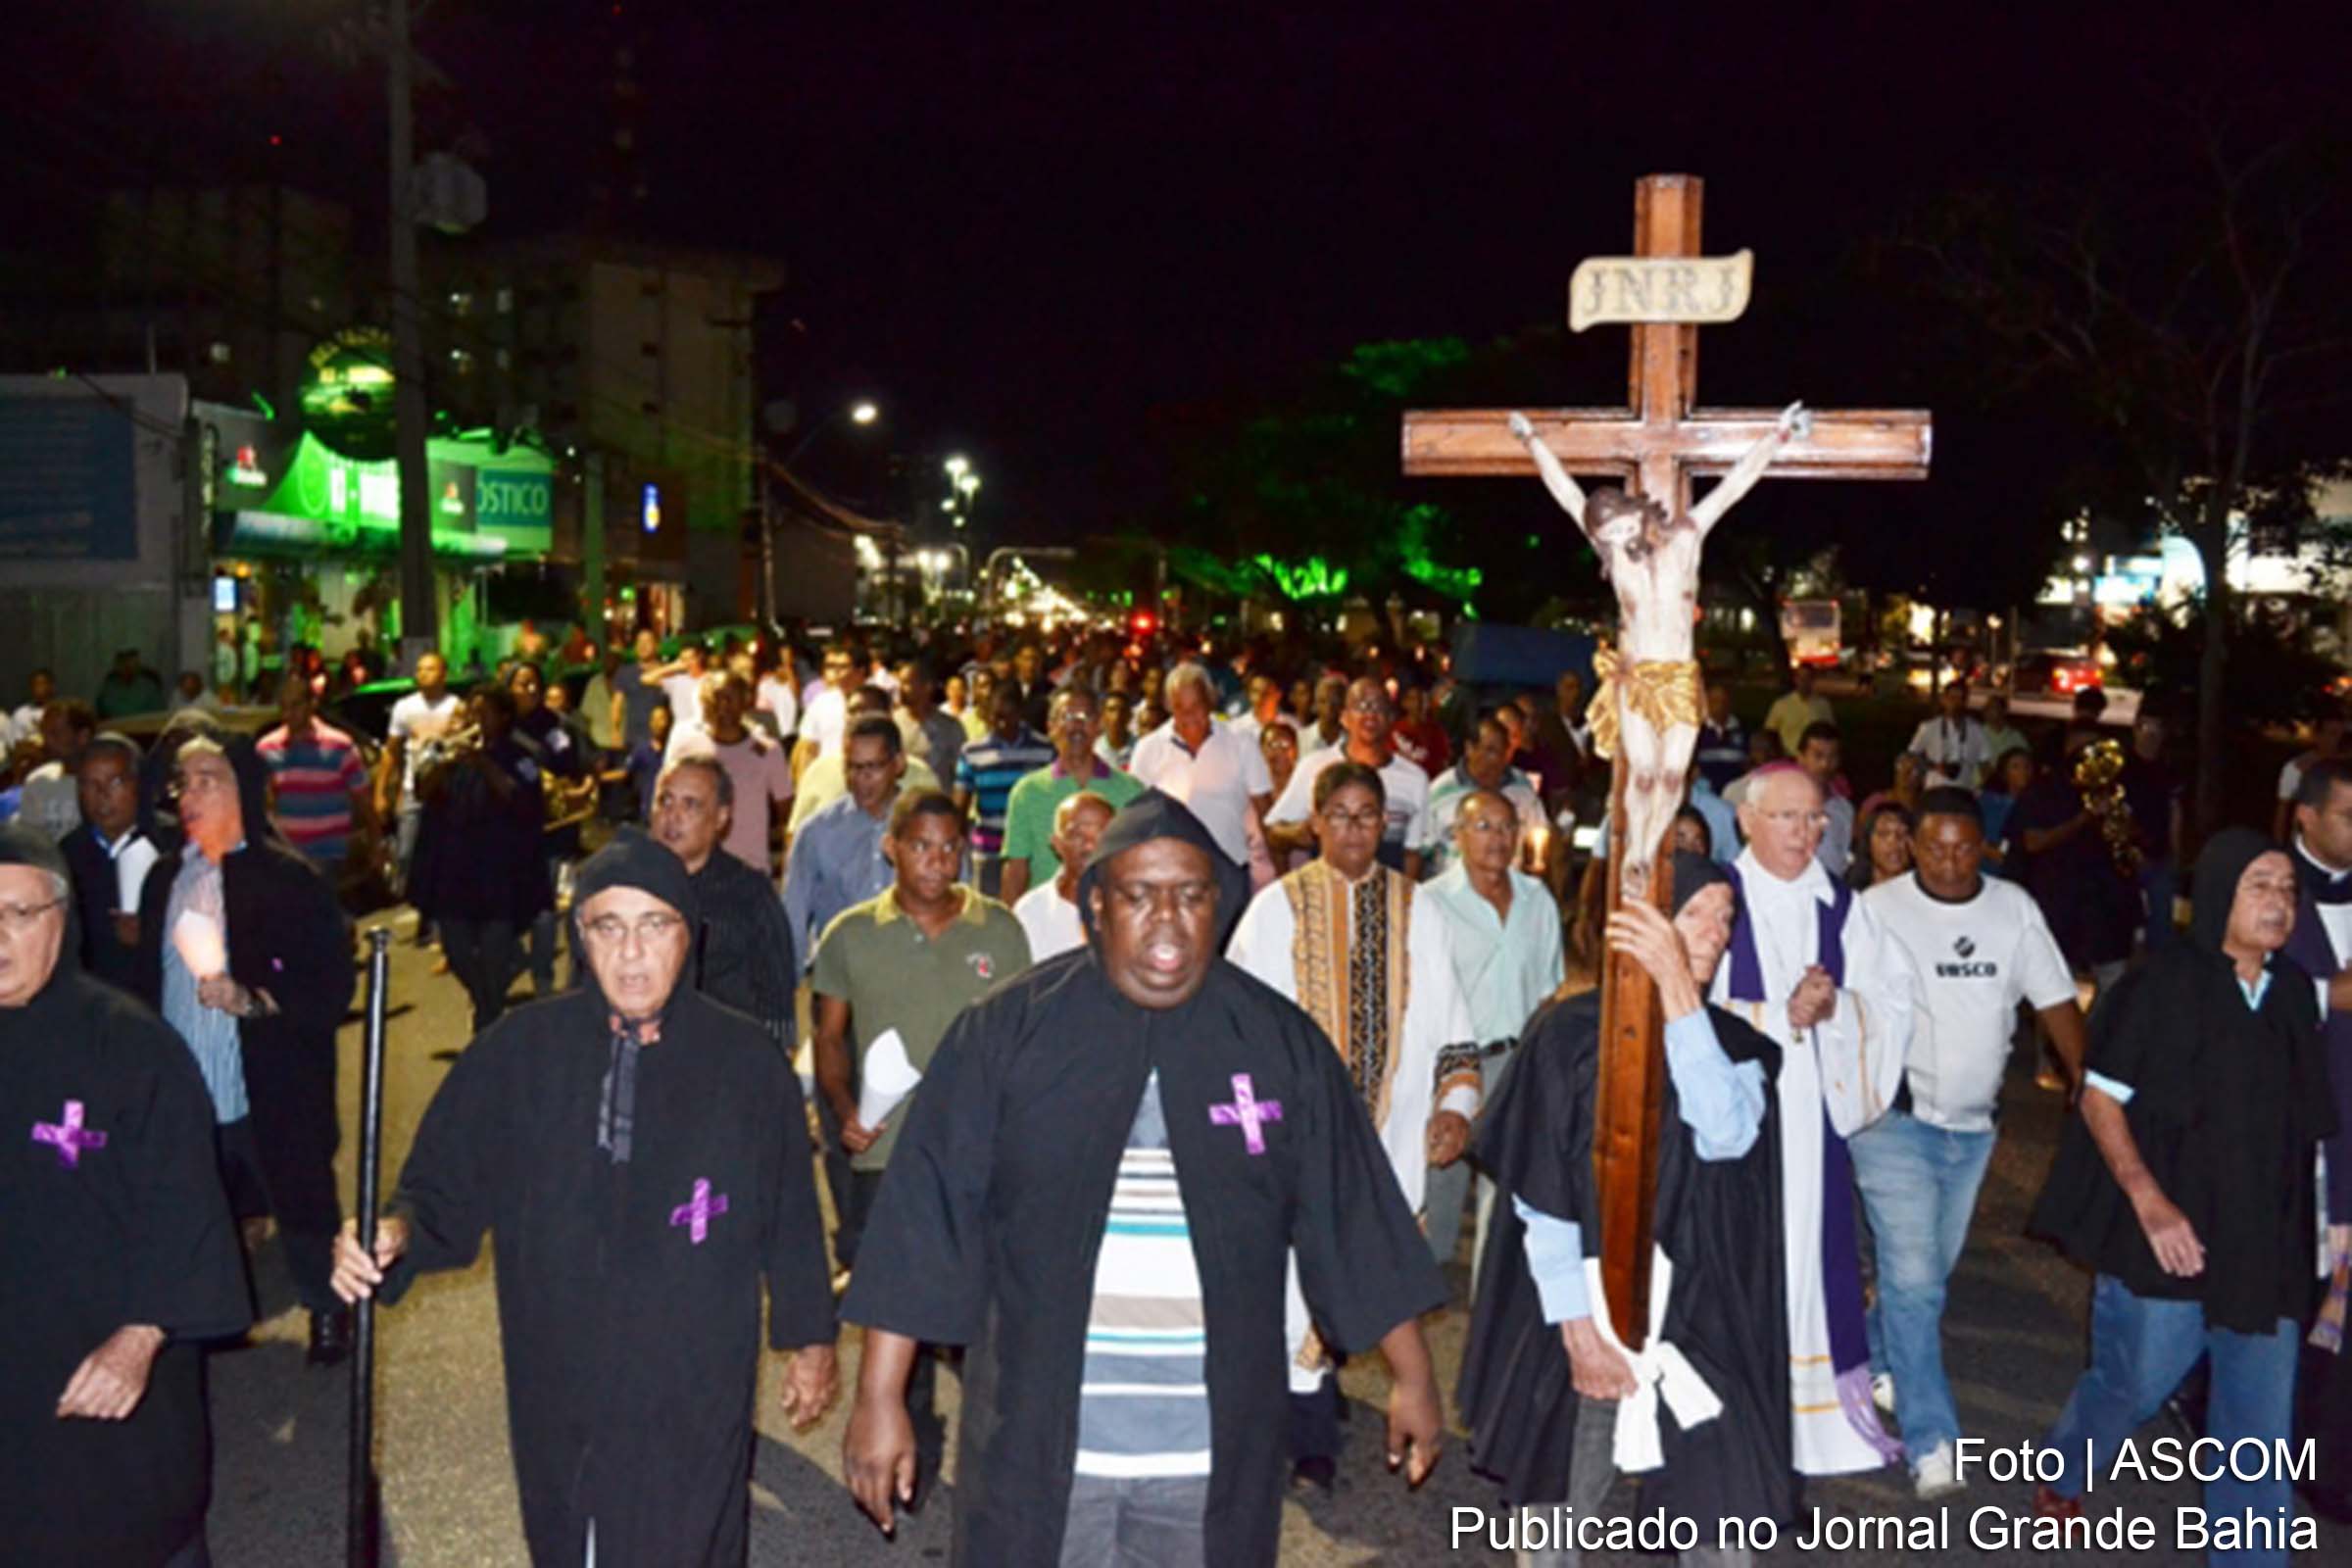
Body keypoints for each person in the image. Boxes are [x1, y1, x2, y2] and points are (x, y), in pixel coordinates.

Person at [840, 791, 1447, 1563]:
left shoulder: (1275, 1042)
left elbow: (1351, 1209)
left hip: (1207, 1456)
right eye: (1140, 895)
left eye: (1192, 895)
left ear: (1219, 905)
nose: (1169, 919)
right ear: (1097, 904)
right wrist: (879, 1397)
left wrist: (1414, 1377)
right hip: (1043, 1445)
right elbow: (924, 1215)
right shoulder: (1010, 1031)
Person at [331, 831, 839, 1566]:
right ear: (581, 936)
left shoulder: (747, 1064)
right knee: (572, 1534)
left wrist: (811, 1338)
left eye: (654, 925)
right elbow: (440, 1186)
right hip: (559, 1363)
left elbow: (790, 1215)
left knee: (689, 1538)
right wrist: (394, 1232)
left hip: (694, 1370)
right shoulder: (519, 1052)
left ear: (688, 934)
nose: (631, 954)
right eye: (608, 927)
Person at [1459, 852, 1790, 1565]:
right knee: (1559, 1501)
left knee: (1720, 1513)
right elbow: (1542, 1194)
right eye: (1695, 914)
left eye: (1726, 918)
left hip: (1700, 1308)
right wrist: (1578, 1330)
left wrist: (1679, 996)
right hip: (1587, 1305)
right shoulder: (1570, 1036)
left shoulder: (1738, 1045)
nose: (1716, 932)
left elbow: (1726, 1135)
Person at [2027, 832, 2333, 1554]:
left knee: (2258, 1428)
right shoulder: (2160, 984)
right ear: (2221, 892)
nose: (2279, 903)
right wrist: (2149, 1201)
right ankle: (2065, 1466)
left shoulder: (2291, 992)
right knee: (2135, 1384)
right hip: (2166, 1230)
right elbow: (2100, 1098)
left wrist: (2330, 1224)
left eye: (2288, 890)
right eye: (2261, 886)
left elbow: (2310, 1128)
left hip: (2262, 1241)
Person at [0, 824, 252, 1567]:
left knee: (132, 1534)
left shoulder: (129, 1045)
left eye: (19, 914)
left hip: (104, 1377)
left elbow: (186, 1204)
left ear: (63, 918)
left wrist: (140, 1338)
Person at [1230, 761, 1477, 1482]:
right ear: (1315, 823)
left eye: (1367, 815)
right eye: (1338, 815)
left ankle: (1319, 1390)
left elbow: (1452, 1018)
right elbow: (1240, 1027)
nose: (1353, 829)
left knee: (1369, 1262)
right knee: (1291, 1279)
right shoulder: (1275, 910)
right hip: (1298, 1137)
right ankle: (1305, 1432)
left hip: (1388, 1136)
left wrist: (1454, 1105)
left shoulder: (1418, 909)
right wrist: (1253, 1132)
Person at [1853, 789, 2085, 1497]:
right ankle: (1931, 1440)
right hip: (1893, 1124)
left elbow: (2055, 1000)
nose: (1950, 863)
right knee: (1917, 1281)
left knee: (1925, 1277)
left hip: (1973, 1128)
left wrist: (2089, 1083)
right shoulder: (1877, 910)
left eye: (1963, 849)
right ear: (1912, 847)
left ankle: (1872, 1354)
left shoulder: (2013, 909)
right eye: (1935, 848)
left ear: (1982, 846)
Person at [811, 791, 1028, 1474]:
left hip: (981, 1155)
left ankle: (997, 1459)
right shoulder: (850, 934)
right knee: (901, 1309)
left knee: (987, 1314)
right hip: (891, 1154)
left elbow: (1020, 1040)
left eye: (948, 848)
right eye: (920, 846)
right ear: (891, 848)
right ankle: (912, 1447)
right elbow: (830, 1036)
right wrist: (844, 1106)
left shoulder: (1000, 931)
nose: (936, 862)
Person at [130, 735, 357, 1364]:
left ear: (244, 792)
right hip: (186, 1077)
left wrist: (253, 1000)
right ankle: (217, 1317)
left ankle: (327, 1307)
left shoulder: (288, 878)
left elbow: (330, 983)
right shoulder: (165, 879)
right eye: (184, 782)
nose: (191, 793)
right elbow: (146, 977)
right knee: (199, 1208)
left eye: (209, 779)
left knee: (299, 1198)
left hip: (265, 1078)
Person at [1716, 761, 1912, 1476]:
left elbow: (1892, 1003)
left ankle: (1799, 1437)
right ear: (1747, 820)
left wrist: (1835, 1010)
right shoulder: (1715, 896)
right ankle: (1723, 1434)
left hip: (1809, 1124)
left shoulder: (1843, 908)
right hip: (1728, 1123)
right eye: (1787, 817)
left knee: (1805, 1261)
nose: (1805, 833)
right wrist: (1780, 1015)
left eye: (1815, 819)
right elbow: (1679, 1003)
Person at [1423, 788, 1566, 1275]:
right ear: (1458, 836)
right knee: (1440, 1179)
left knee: (1501, 1186)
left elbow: (1547, 991)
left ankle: (1487, 1294)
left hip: (1514, 1059)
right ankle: (1428, 1282)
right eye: (1483, 826)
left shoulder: (1536, 901)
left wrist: (1536, 1066)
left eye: (1507, 827)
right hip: (1451, 1062)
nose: (1498, 838)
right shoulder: (1432, 903)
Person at [2285, 759, 2352, 1516]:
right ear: (2305, 816)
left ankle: (2330, 1466)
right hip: (2292, 1131)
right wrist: (2329, 992)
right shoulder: (2267, 886)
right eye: (2348, 817)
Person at [411, 684, 549, 1033]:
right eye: (473, 713)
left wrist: (483, 763)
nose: (476, 720)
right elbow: (424, 791)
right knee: (456, 949)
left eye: (484, 713)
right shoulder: (452, 755)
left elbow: (521, 799)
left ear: (503, 717)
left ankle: (488, 1019)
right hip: (457, 871)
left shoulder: (520, 756)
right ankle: (487, 1005)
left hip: (500, 873)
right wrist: (445, 763)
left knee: (493, 953)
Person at [649, 755, 798, 1053]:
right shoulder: (627, 888)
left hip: (725, 1058)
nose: (672, 816)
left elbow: (777, 1000)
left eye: (690, 805)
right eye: (665, 801)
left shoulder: (750, 893)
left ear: (721, 817)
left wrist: (771, 1064)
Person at [1265, 676, 1434, 877]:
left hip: (1384, 891)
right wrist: (1296, 833)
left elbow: (1412, 853)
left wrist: (1406, 895)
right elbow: (1273, 831)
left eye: (1379, 707)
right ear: (1344, 717)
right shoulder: (1314, 767)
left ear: (1391, 717)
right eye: (1361, 706)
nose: (1370, 714)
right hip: (1327, 890)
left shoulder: (1415, 779)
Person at [784, 714, 909, 974]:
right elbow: (793, 918)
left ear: (898, 764)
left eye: (872, 767)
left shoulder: (926, 827)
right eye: (852, 767)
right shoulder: (817, 833)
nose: (861, 778)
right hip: (838, 982)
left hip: (910, 976)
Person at [998, 688, 1145, 905]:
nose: (1076, 725)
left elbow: (1139, 864)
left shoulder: (1131, 790)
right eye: (1066, 717)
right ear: (1050, 727)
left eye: (1085, 717)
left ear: (1099, 725)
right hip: (1047, 913)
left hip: (1109, 912)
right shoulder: (1028, 791)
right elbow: (1016, 868)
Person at [1127, 661, 1276, 872]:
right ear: (1168, 706)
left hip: (1230, 867)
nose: (1189, 715)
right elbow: (1135, 817)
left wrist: (1276, 864)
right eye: (1180, 707)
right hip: (1170, 871)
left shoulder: (1241, 742)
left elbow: (1265, 810)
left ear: (1210, 701)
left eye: (1196, 706)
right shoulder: (1148, 749)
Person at [256, 672, 373, 882]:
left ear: (312, 704)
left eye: (295, 706)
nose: (289, 714)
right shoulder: (267, 748)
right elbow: (265, 801)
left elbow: (362, 799)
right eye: (284, 707)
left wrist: (374, 843)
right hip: (288, 856)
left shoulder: (339, 746)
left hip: (330, 854)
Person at [378, 650, 463, 920]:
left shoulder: (456, 706)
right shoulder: (404, 707)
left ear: (443, 674)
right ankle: (412, 899)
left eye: (430, 669)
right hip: (413, 788)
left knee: (443, 851)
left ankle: (438, 907)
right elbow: (391, 751)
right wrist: (382, 792)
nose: (423, 674)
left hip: (446, 789)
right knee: (406, 850)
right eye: (420, 669)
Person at [61, 731, 148, 990]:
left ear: (137, 785)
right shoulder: (68, 854)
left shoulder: (169, 845)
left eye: (115, 782)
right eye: (90, 784)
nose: (102, 794)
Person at [952, 681, 1055, 898]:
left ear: (1020, 713)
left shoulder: (1045, 750)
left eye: (1008, 716)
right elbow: (959, 806)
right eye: (996, 716)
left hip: (1031, 854)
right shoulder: (972, 752)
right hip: (988, 854)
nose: (1001, 724)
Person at [687, 670, 793, 876]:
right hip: (699, 869)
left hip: (751, 869)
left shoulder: (767, 752)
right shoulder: (690, 749)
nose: (723, 706)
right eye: (717, 698)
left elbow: (786, 813)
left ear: (745, 701)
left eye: (730, 697)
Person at [1423, 710, 1545, 879]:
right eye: (1489, 750)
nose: (1496, 760)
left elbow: (1539, 837)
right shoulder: (1440, 791)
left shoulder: (1522, 788)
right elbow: (1420, 851)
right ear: (1469, 748)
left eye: (1502, 752)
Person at [1011, 790, 1114, 962]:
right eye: (1077, 836)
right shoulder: (1030, 911)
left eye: (1102, 835)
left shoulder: (1135, 906)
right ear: (1057, 844)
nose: (1089, 846)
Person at [2121, 710, 2185, 953]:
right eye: (2145, 728)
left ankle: (2158, 962)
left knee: (2162, 915)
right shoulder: (2123, 767)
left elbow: (2175, 811)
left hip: (2160, 852)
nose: (2150, 735)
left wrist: (2176, 851)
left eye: (2156, 729)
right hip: (2127, 854)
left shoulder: (2168, 769)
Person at [19, 698, 95, 840]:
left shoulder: (103, 784)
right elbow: (29, 842)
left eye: (55, 734)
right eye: (44, 734)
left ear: (83, 736)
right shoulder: (38, 782)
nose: (46, 742)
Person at [2275, 706, 2346, 843]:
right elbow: (2282, 813)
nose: (2338, 740)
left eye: (2341, 734)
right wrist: (2279, 845)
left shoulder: (2345, 767)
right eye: (2332, 733)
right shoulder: (2296, 768)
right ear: (2318, 735)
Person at [1794, 721, 1856, 879]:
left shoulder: (1844, 809)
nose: (1825, 764)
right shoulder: (1782, 803)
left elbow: (1844, 857)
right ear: (1801, 758)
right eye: (1818, 756)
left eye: (1832, 757)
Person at [895, 660, 967, 784]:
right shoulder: (893, 723)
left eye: (906, 683)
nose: (901, 688)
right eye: (900, 683)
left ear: (927, 687)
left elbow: (962, 776)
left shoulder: (950, 727)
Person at [1907, 679, 1989, 788]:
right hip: (1935, 790)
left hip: (1964, 791)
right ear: (1943, 699)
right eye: (1952, 698)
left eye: (1961, 699)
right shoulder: (1929, 727)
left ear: (1966, 702)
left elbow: (1985, 763)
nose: (1956, 702)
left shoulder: (1976, 730)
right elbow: (1912, 756)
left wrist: (1982, 788)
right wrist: (1934, 766)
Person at [1764, 662, 1835, 760]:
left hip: (1814, 761)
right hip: (1789, 759)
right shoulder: (1781, 705)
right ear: (1795, 679)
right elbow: (1770, 733)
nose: (1804, 682)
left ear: (1813, 680)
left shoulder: (1823, 705)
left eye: (1808, 677)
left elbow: (1830, 734)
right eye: (1801, 678)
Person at [1693, 680, 1747, 794]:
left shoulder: (1744, 730)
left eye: (1724, 701)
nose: (1720, 705)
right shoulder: (1695, 731)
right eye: (1715, 701)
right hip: (1704, 794)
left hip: (1736, 794)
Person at [1848, 799, 1914, 891]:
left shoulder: (1925, 892)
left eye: (1902, 834)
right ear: (1868, 841)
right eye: (1883, 834)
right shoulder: (1849, 892)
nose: (1893, 842)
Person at [1391, 682, 1453, 775]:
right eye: (1413, 699)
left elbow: (1444, 762)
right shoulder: (1394, 730)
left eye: (1423, 699)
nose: (1419, 703)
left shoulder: (1436, 731)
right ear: (1404, 703)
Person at [95, 647, 166, 718]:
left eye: (131, 662)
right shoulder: (108, 688)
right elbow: (101, 714)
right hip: (115, 724)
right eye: (123, 662)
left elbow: (160, 714)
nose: (127, 666)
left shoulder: (149, 687)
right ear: (117, 665)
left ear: (138, 665)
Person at [1977, 693, 2029, 782]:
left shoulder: (2015, 737)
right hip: (1977, 787)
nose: (1986, 711)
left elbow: (2026, 765)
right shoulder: (1976, 734)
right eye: (1986, 707)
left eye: (1992, 707)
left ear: (2003, 711)